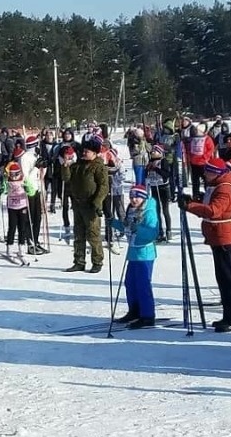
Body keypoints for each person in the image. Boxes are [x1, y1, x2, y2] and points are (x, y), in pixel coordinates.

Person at [180, 157, 231, 333]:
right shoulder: (217, 185)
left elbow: (214, 211)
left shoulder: (225, 188)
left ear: (215, 172)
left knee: (229, 279)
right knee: (223, 279)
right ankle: (228, 316)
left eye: (207, 171)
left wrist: (190, 206)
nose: (204, 174)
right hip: (218, 237)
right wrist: (194, 200)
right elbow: (209, 204)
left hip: (225, 237)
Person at [112, 183, 160, 329]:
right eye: (131, 197)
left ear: (144, 198)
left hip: (144, 253)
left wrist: (137, 228)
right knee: (130, 283)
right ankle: (134, 310)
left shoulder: (148, 211)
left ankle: (147, 315)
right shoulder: (131, 210)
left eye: (137, 197)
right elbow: (126, 227)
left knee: (142, 285)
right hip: (133, 252)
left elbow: (152, 233)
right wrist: (112, 222)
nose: (134, 200)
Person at [60, 136, 108, 273]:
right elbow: (66, 178)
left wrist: (97, 201)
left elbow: (104, 187)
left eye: (87, 151)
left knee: (93, 235)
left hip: (91, 205)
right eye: (84, 150)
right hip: (77, 204)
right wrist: (65, 166)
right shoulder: (78, 165)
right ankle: (79, 261)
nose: (84, 153)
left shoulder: (99, 167)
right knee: (78, 235)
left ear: (94, 153)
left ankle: (97, 261)